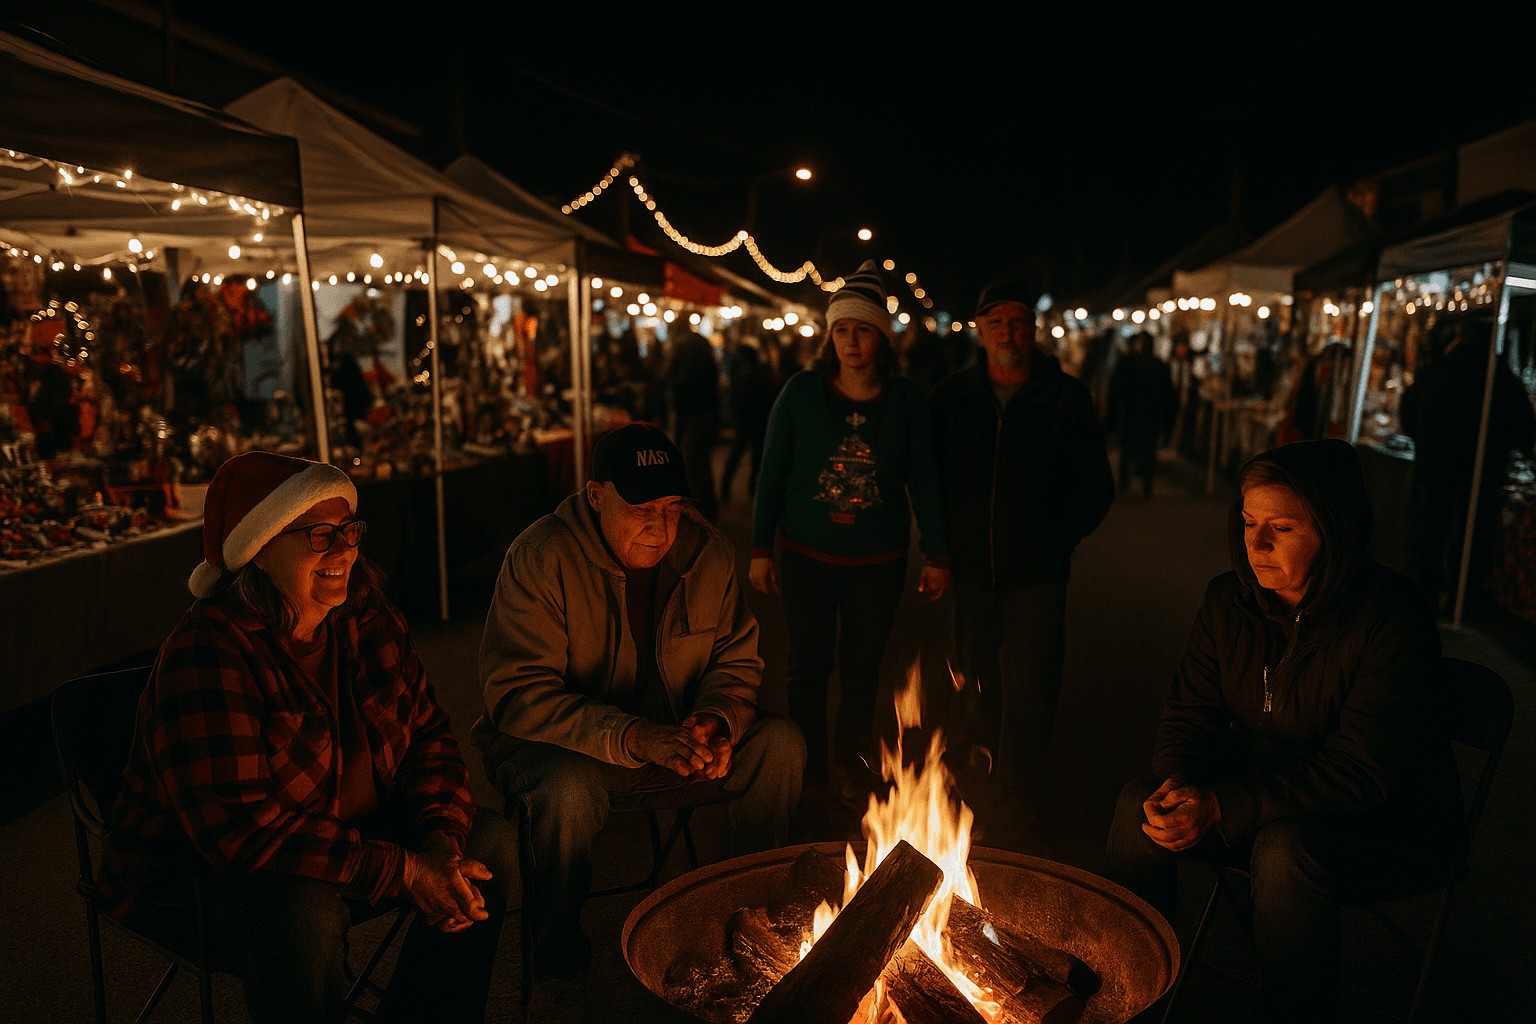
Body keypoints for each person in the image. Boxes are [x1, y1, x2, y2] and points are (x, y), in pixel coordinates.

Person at [99, 451, 513, 1024]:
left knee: (486, 843)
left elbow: (430, 741)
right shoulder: (208, 655)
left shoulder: (367, 618)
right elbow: (244, 835)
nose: (344, 550)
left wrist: (439, 845)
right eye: (320, 535)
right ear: (260, 550)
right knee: (307, 912)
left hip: (344, 833)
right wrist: (405, 870)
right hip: (196, 876)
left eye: (349, 530)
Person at [1103, 439, 1461, 1023]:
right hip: (1261, 791)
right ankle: (1126, 994)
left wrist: (1223, 805)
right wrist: (1182, 784)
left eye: (1281, 527)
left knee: (1285, 850)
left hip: (1380, 819)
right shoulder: (1229, 602)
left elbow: (1361, 769)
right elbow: (1187, 713)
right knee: (1138, 805)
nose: (1256, 543)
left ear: (1333, 528)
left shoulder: (1390, 619)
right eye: (1248, 522)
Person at [473, 422, 803, 980]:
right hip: (563, 753)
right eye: (641, 509)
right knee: (566, 789)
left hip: (673, 745)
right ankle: (555, 947)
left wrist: (715, 721)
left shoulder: (707, 555)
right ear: (596, 495)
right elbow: (518, 694)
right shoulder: (541, 555)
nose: (660, 527)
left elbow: (736, 662)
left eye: (672, 507)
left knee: (779, 745)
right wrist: (631, 735)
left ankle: (747, 918)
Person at [749, 260, 950, 803]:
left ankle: (847, 763)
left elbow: (925, 480)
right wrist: (757, 546)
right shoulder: (800, 392)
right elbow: (771, 471)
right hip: (806, 555)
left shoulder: (905, 401)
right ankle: (808, 768)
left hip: (876, 562)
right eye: (841, 329)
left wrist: (937, 552)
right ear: (828, 335)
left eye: (863, 329)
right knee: (806, 666)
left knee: (862, 668)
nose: (851, 341)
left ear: (882, 338)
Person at [929, 280, 1114, 813]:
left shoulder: (1065, 397)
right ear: (979, 332)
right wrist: (941, 545)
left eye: (1016, 320)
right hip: (969, 570)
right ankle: (981, 772)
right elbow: (928, 476)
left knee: (1033, 683)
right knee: (975, 677)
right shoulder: (952, 398)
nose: (1006, 330)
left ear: (1033, 330)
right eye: (995, 322)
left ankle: (1021, 784)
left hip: (1038, 572)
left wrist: (1056, 538)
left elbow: (1097, 486)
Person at [1105, 330, 1176, 497]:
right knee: (1137, 449)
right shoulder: (1137, 364)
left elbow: (1168, 396)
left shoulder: (1137, 364)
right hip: (1139, 414)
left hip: (1142, 414)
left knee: (1141, 450)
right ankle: (1136, 483)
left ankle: (1139, 483)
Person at [662, 324, 722, 521]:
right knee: (701, 463)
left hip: (690, 414)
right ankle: (707, 507)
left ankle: (695, 511)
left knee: (690, 463)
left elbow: (670, 378)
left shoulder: (683, 350)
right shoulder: (704, 352)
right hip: (706, 414)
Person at [719, 337, 779, 502]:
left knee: (736, 456)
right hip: (758, 421)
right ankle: (753, 491)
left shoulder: (739, 373)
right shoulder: (759, 372)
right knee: (756, 458)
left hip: (744, 421)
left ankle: (726, 489)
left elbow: (734, 399)